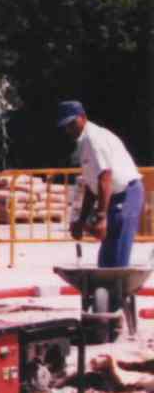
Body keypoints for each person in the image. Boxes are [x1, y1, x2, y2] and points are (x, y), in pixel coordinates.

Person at [59, 100, 144, 269]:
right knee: (106, 260)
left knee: (116, 259)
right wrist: (81, 220)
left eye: (72, 123)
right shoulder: (84, 141)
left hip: (126, 194)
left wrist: (101, 217)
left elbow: (105, 177)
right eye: (66, 125)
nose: (69, 129)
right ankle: (109, 284)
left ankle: (117, 286)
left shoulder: (93, 139)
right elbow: (92, 187)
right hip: (114, 196)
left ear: (83, 117)